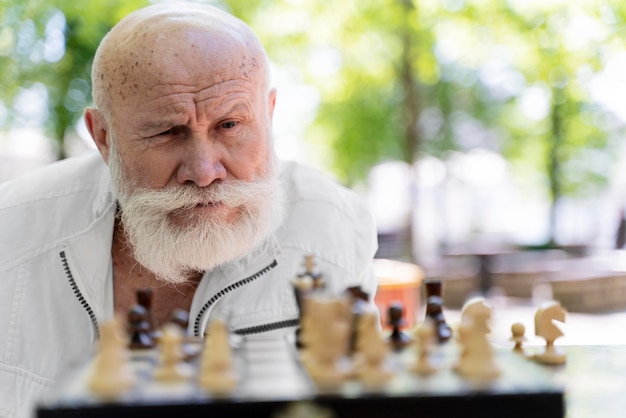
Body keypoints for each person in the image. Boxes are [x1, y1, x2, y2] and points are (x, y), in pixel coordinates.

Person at [0, 3, 378, 417]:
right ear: (103, 136)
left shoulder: (332, 228)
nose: (204, 172)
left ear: (267, 115)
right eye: (168, 132)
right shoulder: (10, 234)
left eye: (229, 125)